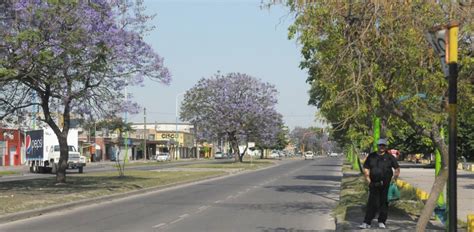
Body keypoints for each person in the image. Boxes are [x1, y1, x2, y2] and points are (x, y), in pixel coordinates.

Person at [359, 138, 400, 229]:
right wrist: (368, 179)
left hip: (386, 184)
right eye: (380, 145)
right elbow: (366, 167)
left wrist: (394, 178)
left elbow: (397, 168)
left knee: (384, 203)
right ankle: (367, 222)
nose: (381, 147)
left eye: (383, 145)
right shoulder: (371, 156)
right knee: (372, 203)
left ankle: (382, 221)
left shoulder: (390, 157)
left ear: (386, 147)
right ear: (377, 146)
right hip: (373, 183)